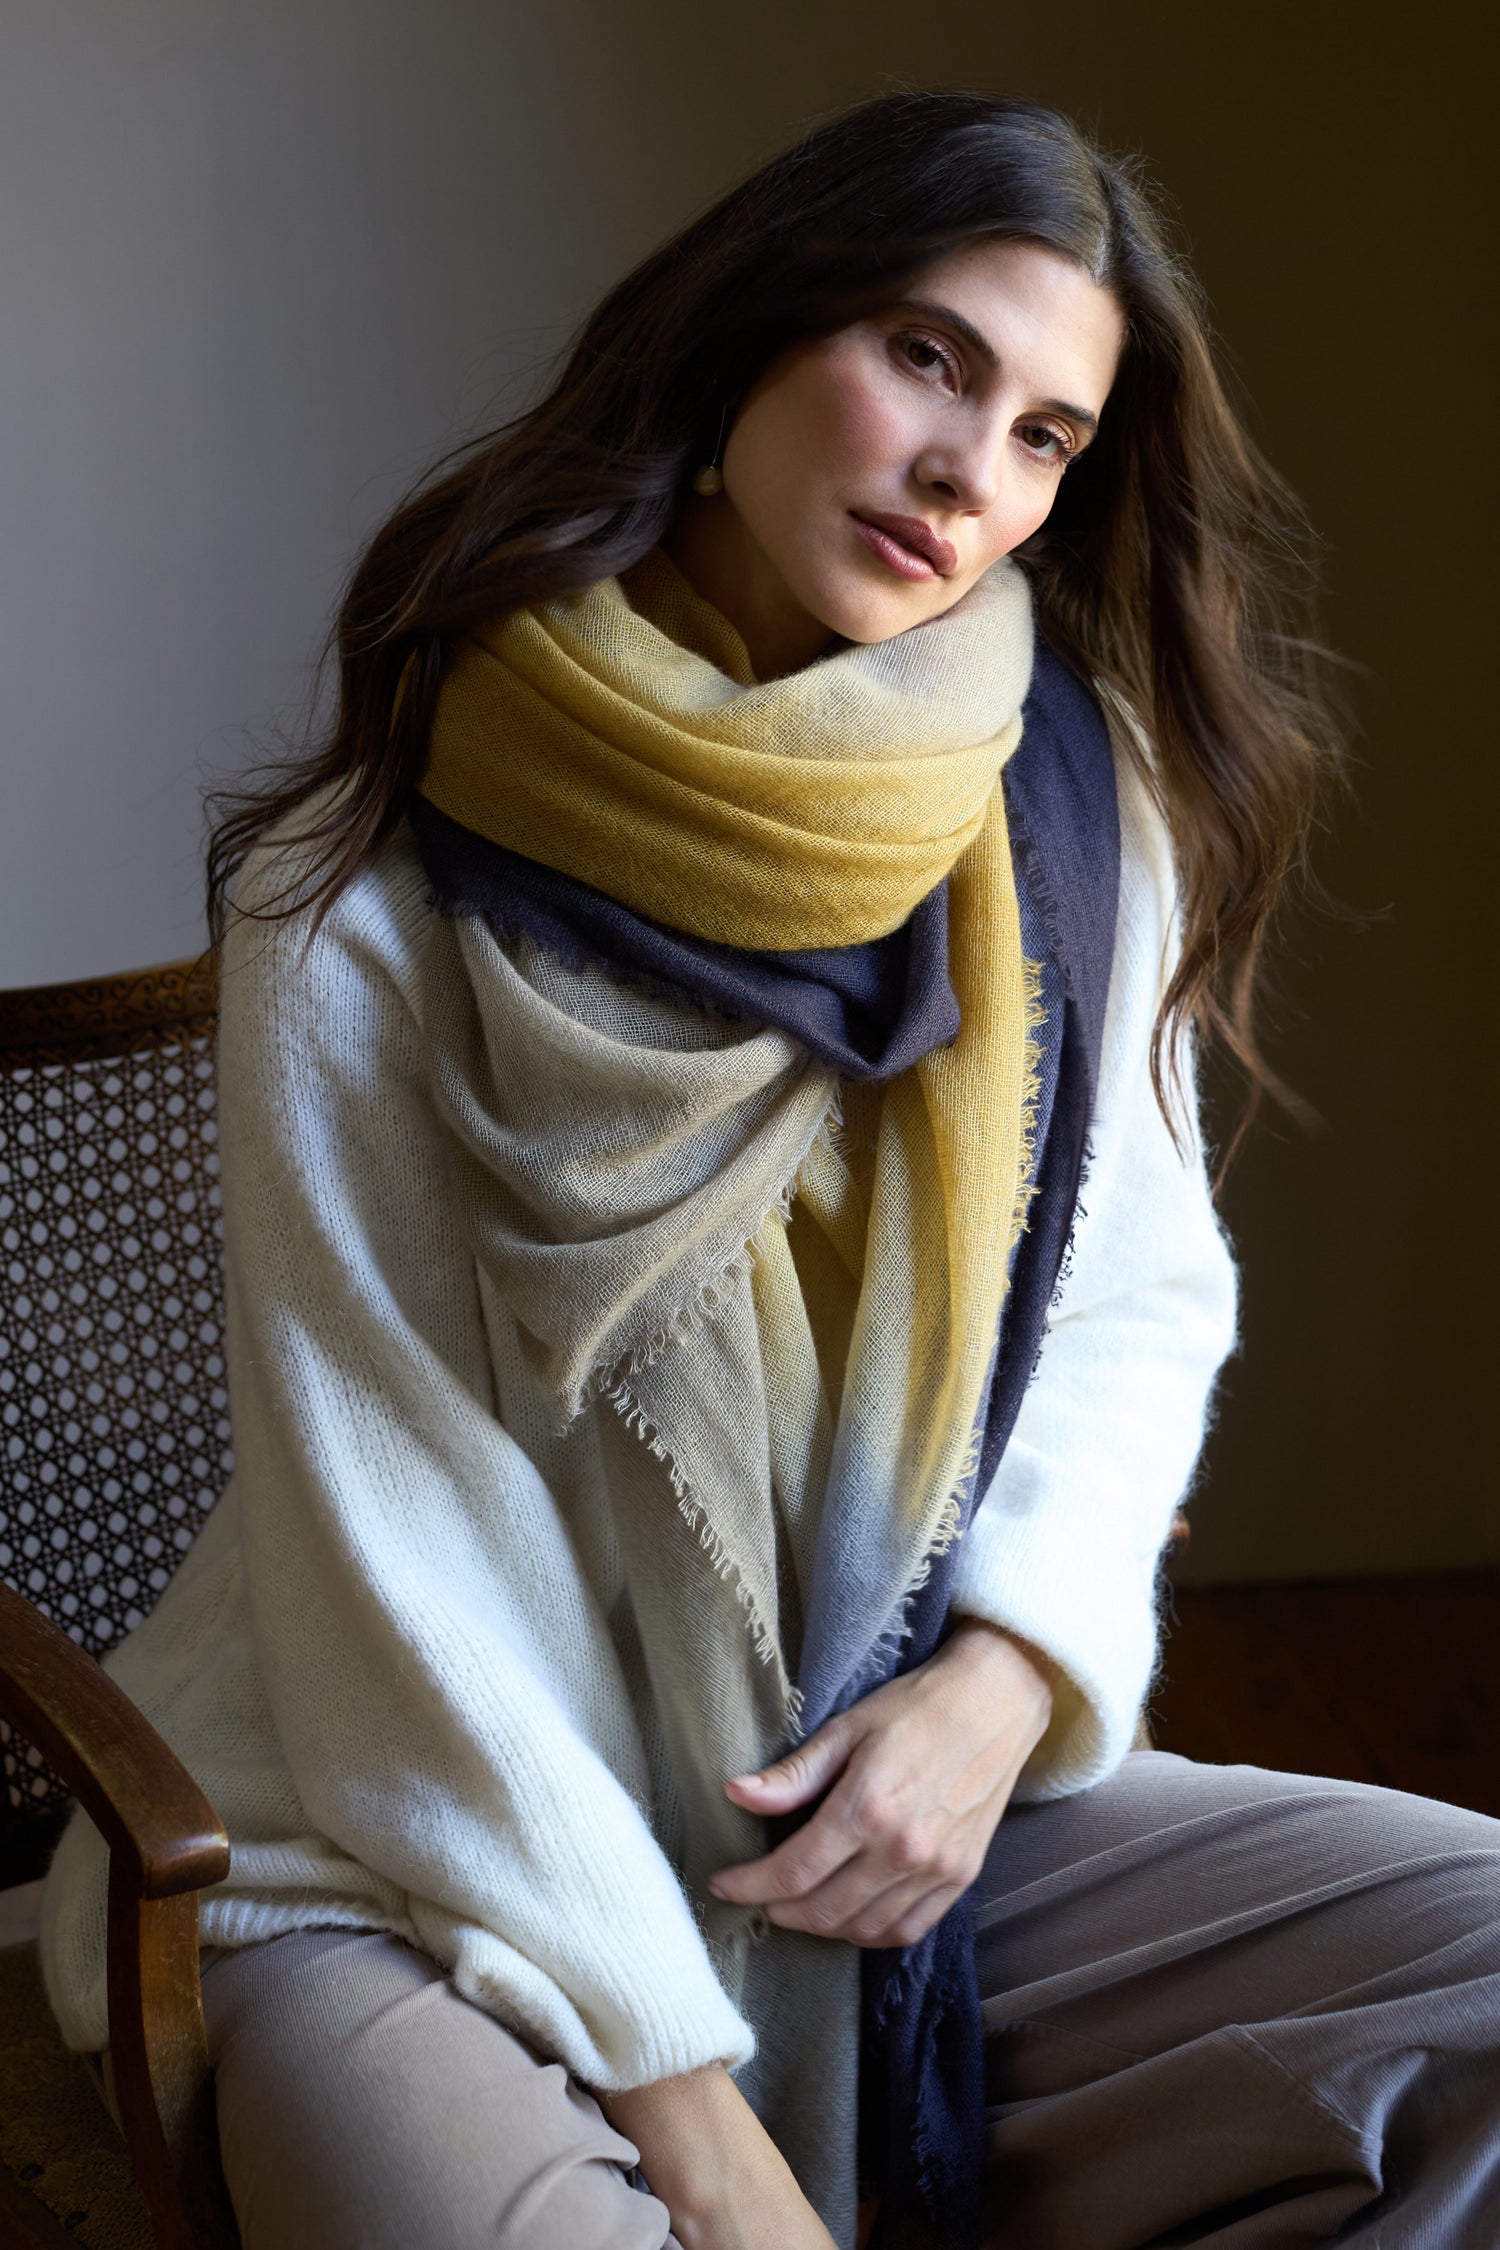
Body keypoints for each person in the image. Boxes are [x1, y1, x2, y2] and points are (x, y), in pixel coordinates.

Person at [38, 90, 1500, 2250]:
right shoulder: (354, 889)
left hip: (857, 1788)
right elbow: (405, 1547)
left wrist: (998, 1693)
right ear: (748, 331)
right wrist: (707, 2134)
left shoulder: (1074, 834)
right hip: (392, 1838)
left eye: (1044, 436)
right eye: (924, 355)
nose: (965, 472)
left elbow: (1138, 1295)